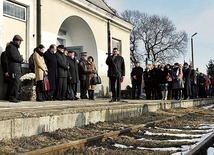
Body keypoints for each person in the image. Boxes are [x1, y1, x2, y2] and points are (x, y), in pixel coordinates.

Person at [5, 35, 24, 103]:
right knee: (14, 83)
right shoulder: (10, 47)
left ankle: (15, 96)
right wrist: (20, 59)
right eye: (19, 41)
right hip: (13, 68)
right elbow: (13, 57)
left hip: (17, 67)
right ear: (15, 40)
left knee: (17, 83)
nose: (20, 43)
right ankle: (12, 97)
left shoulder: (15, 48)